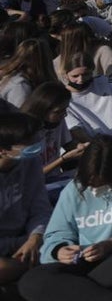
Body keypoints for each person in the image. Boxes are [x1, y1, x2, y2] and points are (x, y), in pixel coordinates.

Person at [18, 136, 112, 301]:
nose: (94, 188)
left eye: (103, 183)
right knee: (30, 281)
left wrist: (111, 244)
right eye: (89, 183)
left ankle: (74, 291)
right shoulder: (72, 190)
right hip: (86, 260)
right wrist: (59, 250)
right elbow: (56, 234)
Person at [0, 113, 52, 288]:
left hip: (28, 241)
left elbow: (40, 207)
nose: (36, 146)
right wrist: (21, 244)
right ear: (3, 150)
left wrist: (35, 237)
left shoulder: (30, 162)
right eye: (28, 143)